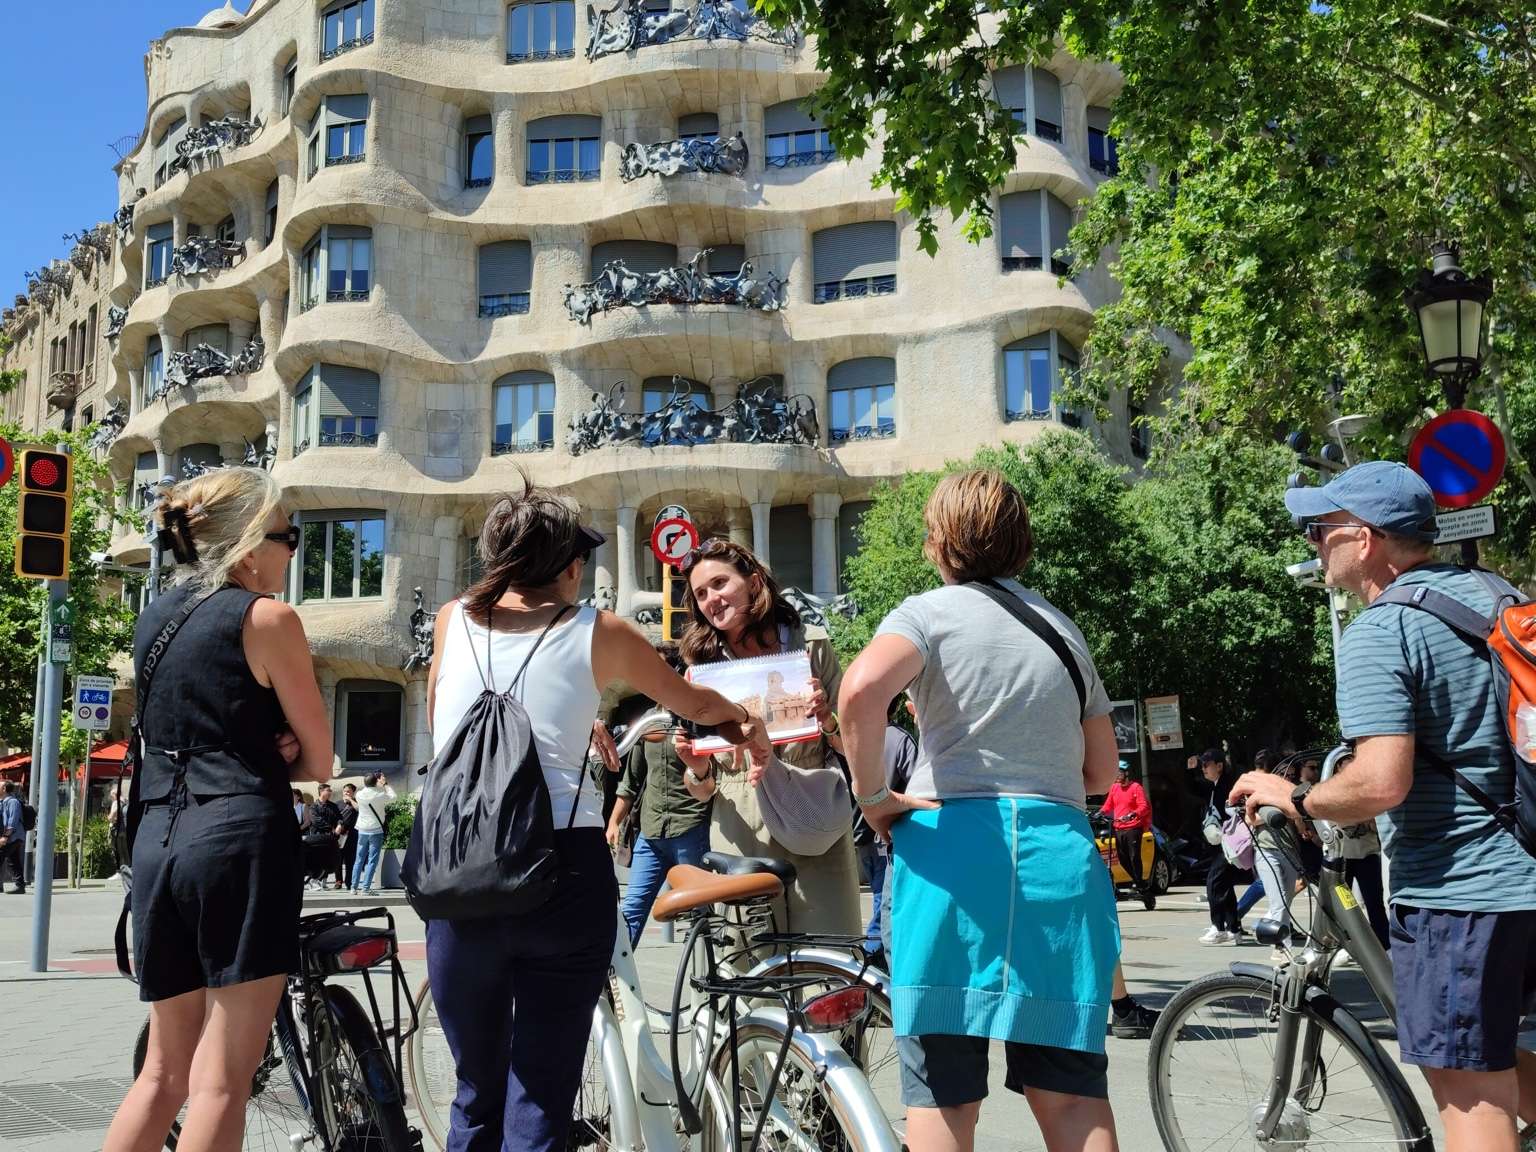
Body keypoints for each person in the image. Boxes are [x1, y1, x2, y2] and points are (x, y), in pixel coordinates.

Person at [423, 479, 765, 1152]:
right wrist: (743, 718)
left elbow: (450, 720)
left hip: (457, 870)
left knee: (475, 1092)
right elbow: (689, 701)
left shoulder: (449, 618)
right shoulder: (597, 630)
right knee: (542, 1091)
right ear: (571, 565)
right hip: (560, 870)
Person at [1232, 460, 1536, 1152]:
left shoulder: (1383, 628)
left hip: (1460, 894)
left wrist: (1297, 794)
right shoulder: (1494, 594)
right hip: (1527, 871)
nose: (1314, 541)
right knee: (1483, 1061)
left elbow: (1380, 782)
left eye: (1322, 528)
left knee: (1468, 1090)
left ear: (1364, 538)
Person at [839, 468, 1121, 1152]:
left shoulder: (927, 615)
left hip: (952, 858)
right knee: (1073, 1097)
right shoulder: (1063, 630)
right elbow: (1102, 773)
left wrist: (876, 798)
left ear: (939, 541)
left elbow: (859, 693)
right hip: (1058, 861)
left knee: (943, 1096)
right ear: (1021, 543)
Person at [103, 467, 333, 1152]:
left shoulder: (153, 620)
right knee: (222, 1082)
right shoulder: (267, 618)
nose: (295, 551)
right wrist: (277, 748)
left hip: (157, 842)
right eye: (289, 536)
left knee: (162, 1074)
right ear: (249, 545)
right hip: (236, 841)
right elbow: (319, 761)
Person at [672, 537, 861, 936]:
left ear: (754, 582)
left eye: (720, 584)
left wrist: (827, 719)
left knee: (828, 963)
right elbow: (701, 790)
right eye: (701, 593)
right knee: (748, 968)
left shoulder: (812, 645)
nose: (711, 600)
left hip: (812, 814)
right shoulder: (697, 669)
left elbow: (853, 746)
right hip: (739, 827)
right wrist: (698, 769)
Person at [606, 686, 713, 948]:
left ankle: (707, 983)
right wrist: (613, 822)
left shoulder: (696, 719)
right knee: (631, 910)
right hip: (651, 832)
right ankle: (617, 982)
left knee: (698, 914)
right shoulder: (648, 721)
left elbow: (711, 774)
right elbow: (630, 781)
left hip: (690, 827)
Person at [1196, 749, 1250, 945]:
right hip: (1225, 842)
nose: (1203, 769)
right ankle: (1233, 928)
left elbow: (1231, 814)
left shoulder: (1227, 786)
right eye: (1202, 765)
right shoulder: (1217, 786)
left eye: (1206, 765)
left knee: (1214, 882)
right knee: (1225, 885)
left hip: (1229, 841)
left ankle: (1218, 927)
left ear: (1219, 766)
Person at [1100, 760, 1156, 910]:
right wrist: (1100, 813)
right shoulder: (1114, 788)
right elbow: (1108, 806)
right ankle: (1140, 882)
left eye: (1120, 772)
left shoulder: (1135, 787)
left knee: (1133, 856)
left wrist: (1133, 814)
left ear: (1127, 773)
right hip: (1119, 827)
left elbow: (1143, 806)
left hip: (1133, 827)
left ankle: (1139, 883)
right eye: (1116, 773)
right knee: (1123, 859)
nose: (1117, 776)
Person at [351, 772, 395, 895]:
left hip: (362, 829)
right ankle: (365, 888)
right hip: (376, 830)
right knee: (372, 860)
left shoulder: (359, 794)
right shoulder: (379, 795)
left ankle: (353, 887)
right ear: (375, 782)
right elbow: (393, 796)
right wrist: (385, 784)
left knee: (359, 859)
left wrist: (377, 784)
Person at [305, 784, 343, 890]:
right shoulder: (313, 807)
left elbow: (339, 817)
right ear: (321, 791)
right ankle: (313, 881)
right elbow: (316, 821)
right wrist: (331, 828)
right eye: (328, 790)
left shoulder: (333, 806)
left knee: (329, 859)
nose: (330, 792)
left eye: (331, 790)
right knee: (317, 860)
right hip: (318, 837)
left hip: (331, 837)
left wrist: (340, 824)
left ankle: (323, 882)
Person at [0, 781, 25, 895]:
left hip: (13, 836)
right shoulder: (3, 802)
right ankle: (20, 885)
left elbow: (12, 821)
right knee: (13, 861)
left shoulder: (13, 802)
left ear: (4, 788)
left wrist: (5, 836)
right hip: (11, 836)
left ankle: (19, 885)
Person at [338, 782, 359, 891]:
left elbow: (359, 809)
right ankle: (338, 881)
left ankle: (349, 882)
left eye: (348, 791)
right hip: (340, 835)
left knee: (350, 860)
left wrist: (351, 800)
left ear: (353, 793)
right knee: (338, 859)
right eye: (345, 791)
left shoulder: (356, 803)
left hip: (352, 835)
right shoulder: (338, 803)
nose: (346, 793)